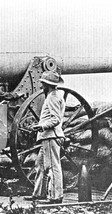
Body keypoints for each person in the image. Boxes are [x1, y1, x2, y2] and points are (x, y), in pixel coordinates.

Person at [24, 71, 66, 204]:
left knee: (52, 166)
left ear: (48, 84)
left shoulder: (53, 97)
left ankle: (55, 196)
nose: (41, 85)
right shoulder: (54, 95)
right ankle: (38, 194)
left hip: (50, 136)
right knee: (40, 165)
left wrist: (41, 126)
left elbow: (55, 119)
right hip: (47, 136)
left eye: (43, 83)